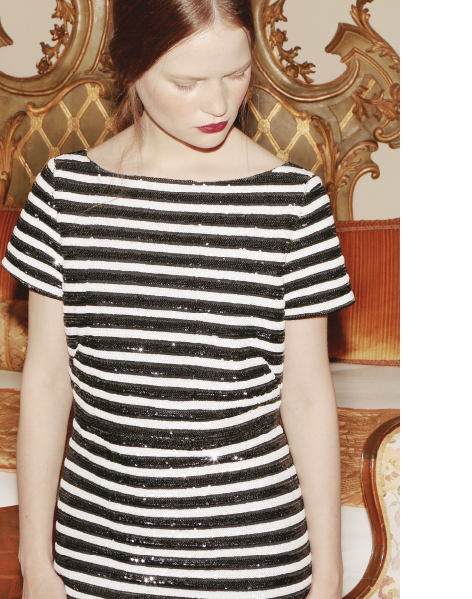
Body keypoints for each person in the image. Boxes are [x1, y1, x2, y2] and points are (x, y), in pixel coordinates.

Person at [3, 0, 354, 597]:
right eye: (187, 83)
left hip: (256, 563)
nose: (218, 105)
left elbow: (306, 396)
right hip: (94, 555)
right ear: (132, 67)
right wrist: (35, 564)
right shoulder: (64, 194)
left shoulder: (294, 202)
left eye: (237, 74)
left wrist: (329, 576)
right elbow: (47, 383)